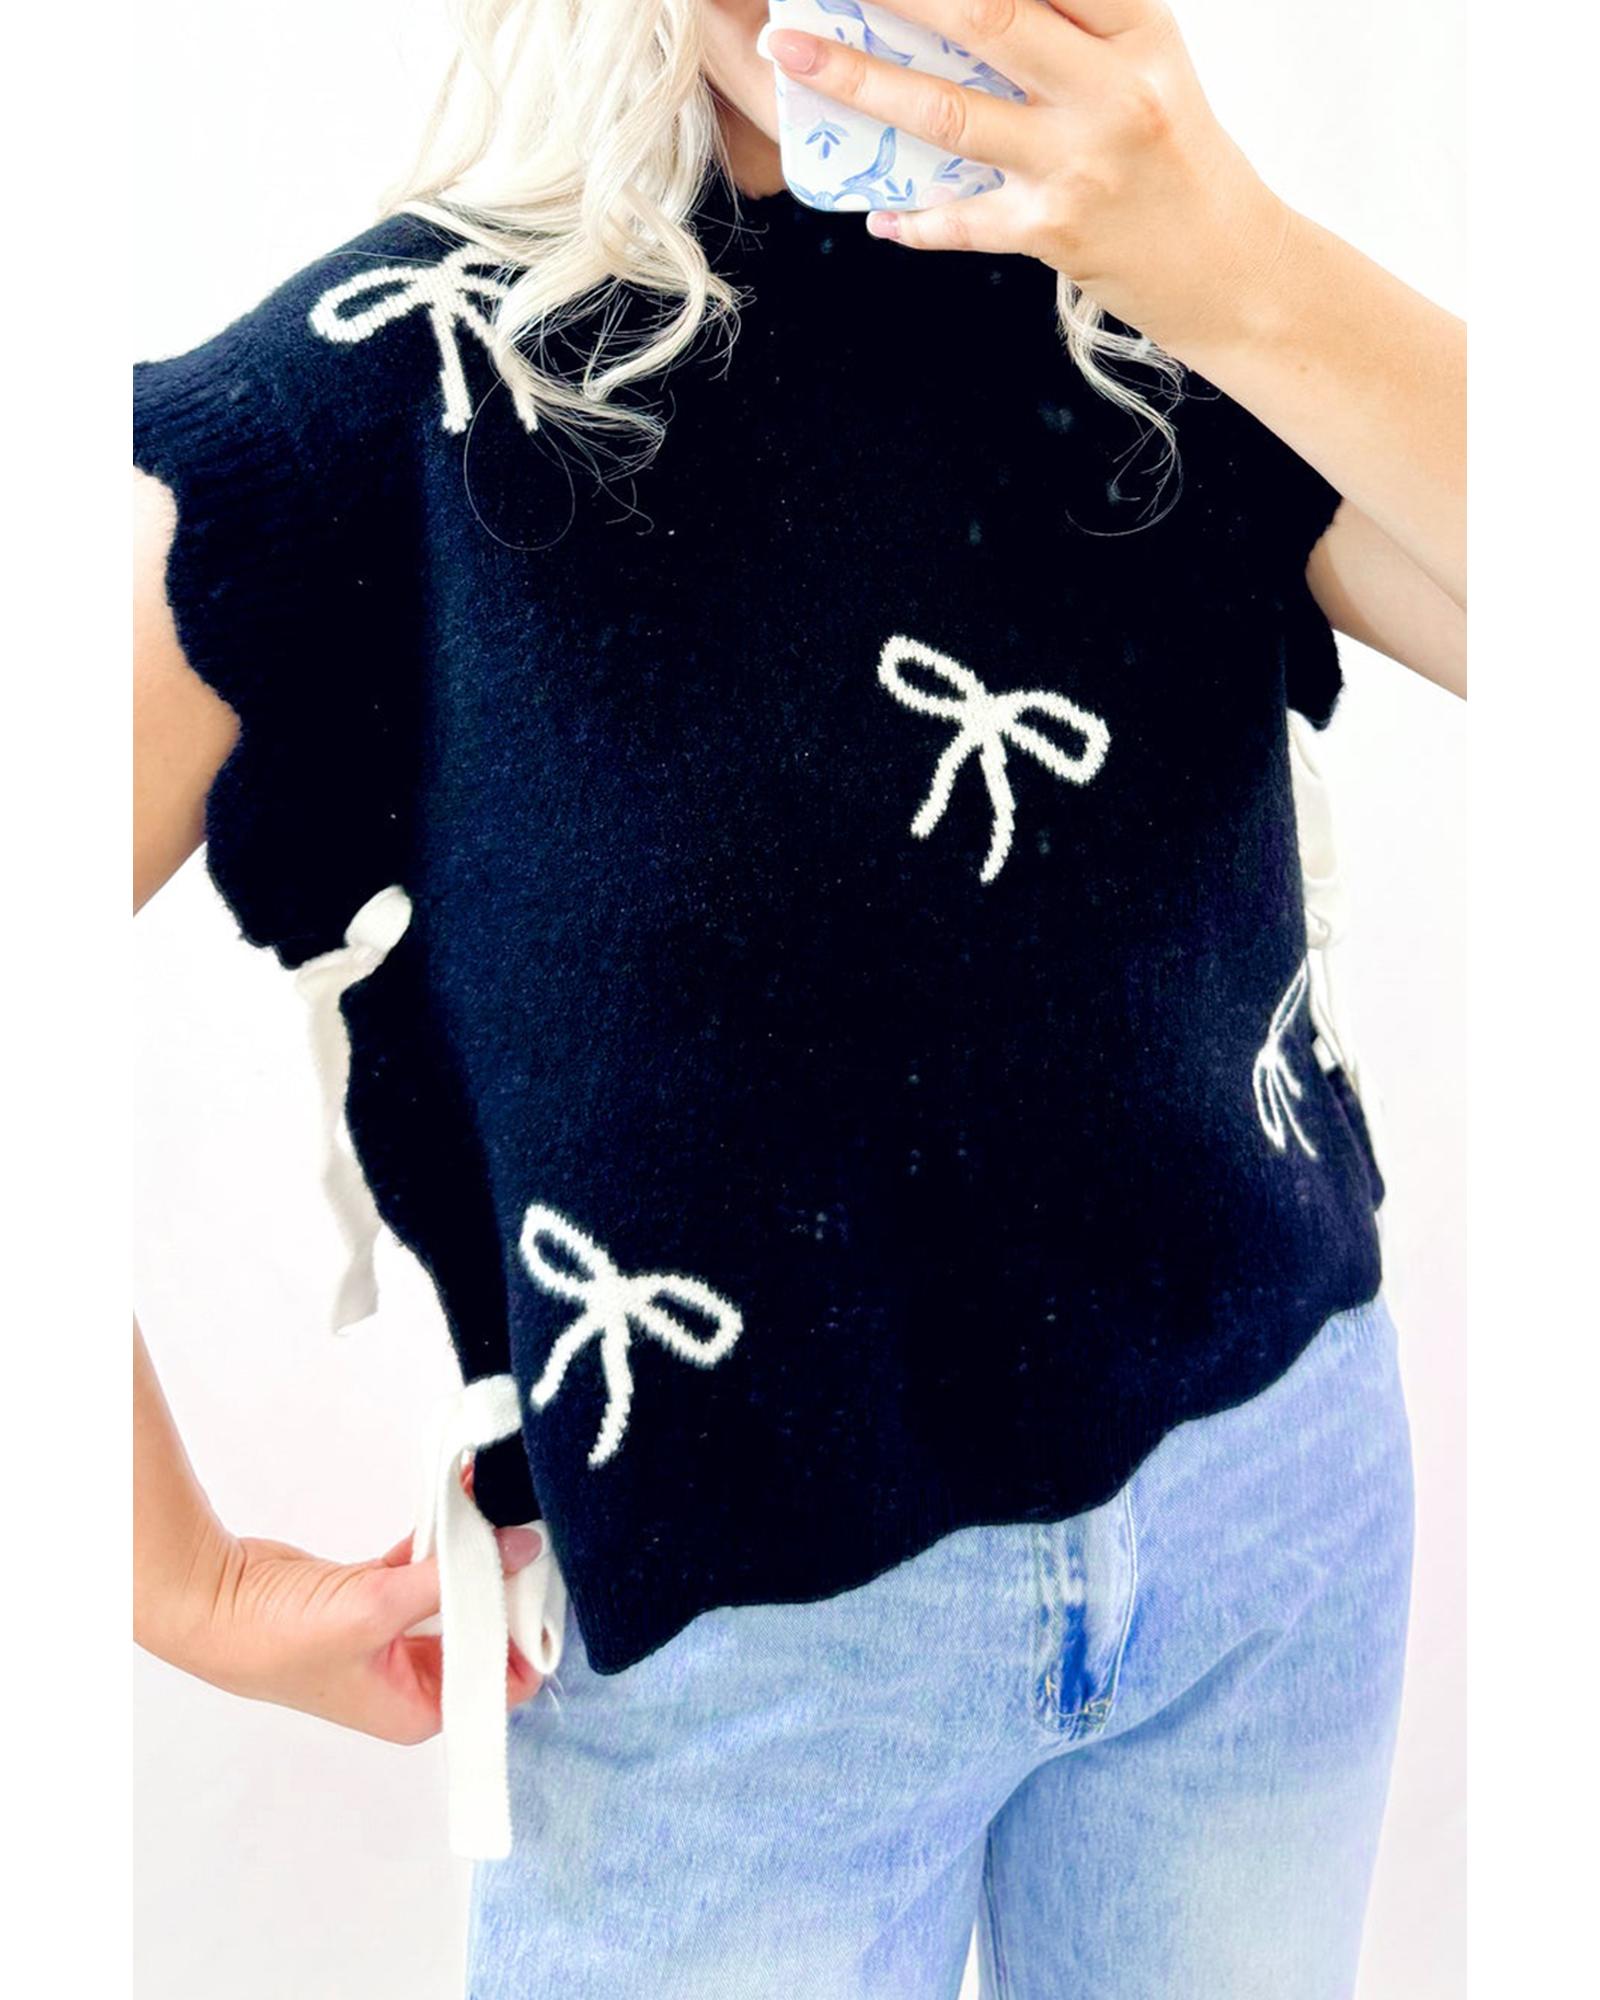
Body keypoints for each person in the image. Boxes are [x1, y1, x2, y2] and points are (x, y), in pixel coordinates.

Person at [133, 3, 1464, 1994]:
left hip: (1272, 1515)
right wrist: (177, 1575)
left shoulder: (1159, 307)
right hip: (732, 1673)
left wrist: (1229, 253)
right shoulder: (398, 389)